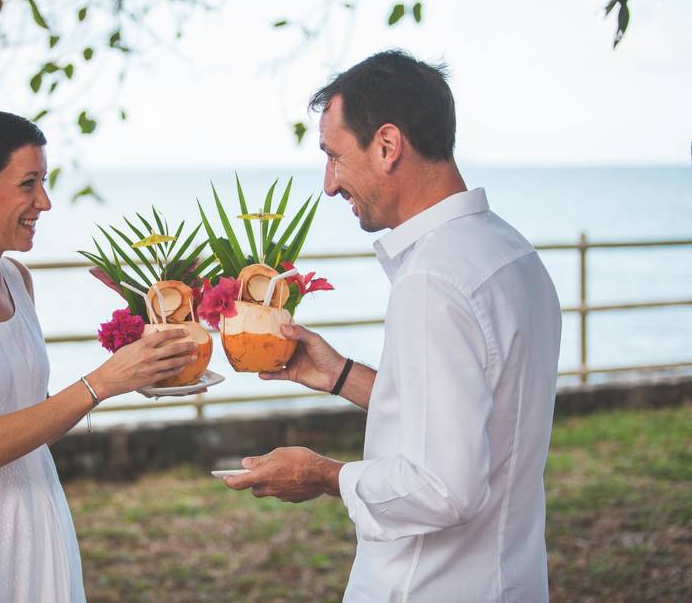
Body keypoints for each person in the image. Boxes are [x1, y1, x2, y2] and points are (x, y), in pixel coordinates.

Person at [225, 50, 562, 602]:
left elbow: (443, 488)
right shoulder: (512, 254)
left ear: (387, 146)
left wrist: (322, 475)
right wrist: (342, 377)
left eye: (334, 157)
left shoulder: (433, 279)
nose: (330, 185)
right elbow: (482, 415)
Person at [0, 108, 197, 602]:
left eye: (43, 182)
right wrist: (102, 382)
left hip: (36, 512)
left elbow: (32, 414)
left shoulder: (18, 282)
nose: (44, 202)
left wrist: (136, 366)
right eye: (29, 184)